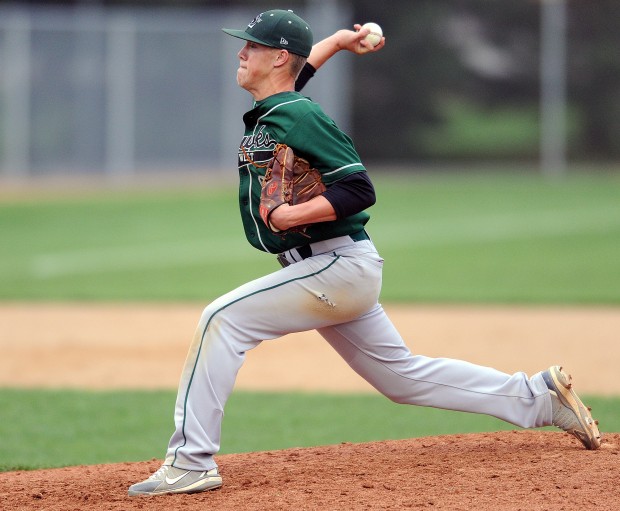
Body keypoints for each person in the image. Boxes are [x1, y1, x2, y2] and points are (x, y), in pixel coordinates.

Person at [128, 9, 600, 497]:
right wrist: (333, 43)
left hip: (333, 265)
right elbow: (299, 75)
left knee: (220, 320)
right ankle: (538, 398)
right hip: (330, 268)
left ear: (278, 57)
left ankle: (190, 462)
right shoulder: (281, 108)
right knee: (402, 377)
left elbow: (359, 187)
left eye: (252, 46)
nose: (242, 53)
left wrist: (292, 216)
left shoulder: (299, 115)